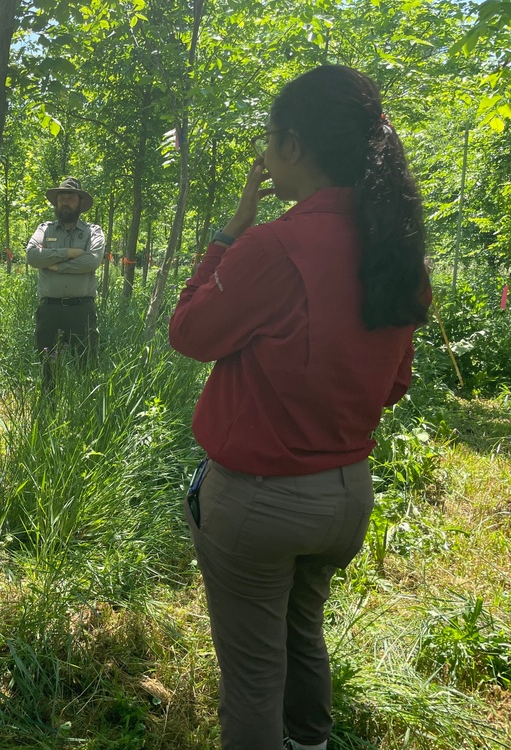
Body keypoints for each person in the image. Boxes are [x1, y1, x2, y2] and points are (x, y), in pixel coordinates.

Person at [168, 65, 430, 750]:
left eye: (271, 137)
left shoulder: (274, 246)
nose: (265, 152)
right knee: (301, 630)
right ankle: (311, 742)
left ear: (296, 144)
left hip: (260, 501)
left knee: (253, 675)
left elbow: (189, 334)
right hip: (346, 496)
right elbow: (395, 382)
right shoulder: (394, 247)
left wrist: (228, 234)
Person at [25, 177, 105, 390]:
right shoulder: (45, 229)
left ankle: (84, 416)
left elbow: (92, 261)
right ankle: (49, 413)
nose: (65, 202)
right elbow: (32, 256)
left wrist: (56, 265)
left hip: (82, 310)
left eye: (70, 197)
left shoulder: (93, 231)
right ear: (56, 203)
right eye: (61, 198)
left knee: (86, 368)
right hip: (49, 310)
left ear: (80, 203)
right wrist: (69, 253)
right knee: (48, 369)